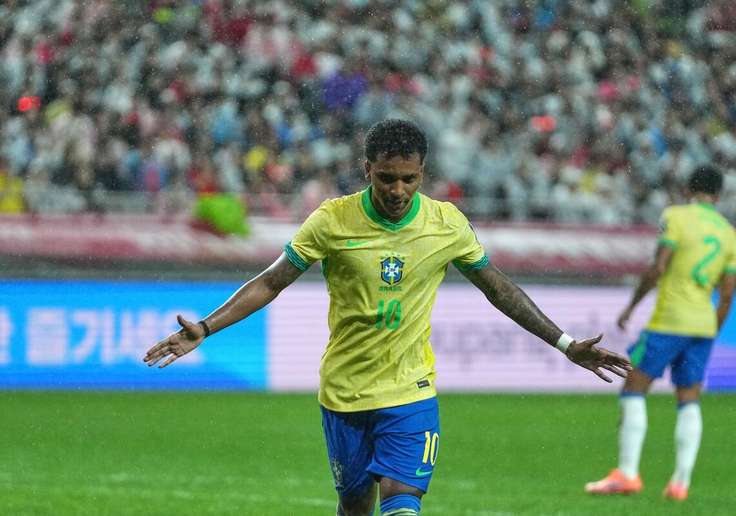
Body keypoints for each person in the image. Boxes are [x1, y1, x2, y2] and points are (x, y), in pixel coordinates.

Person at [144, 119, 631, 516]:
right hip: (344, 392)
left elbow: (498, 288)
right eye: (386, 178)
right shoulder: (332, 220)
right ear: (367, 170)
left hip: (410, 391)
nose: (398, 190)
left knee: (401, 504)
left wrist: (566, 344)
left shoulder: (446, 224)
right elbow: (272, 282)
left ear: (423, 173)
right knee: (356, 507)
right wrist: (206, 327)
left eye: (409, 179)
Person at [585, 165, 736, 501]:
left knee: (634, 385)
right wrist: (711, 330)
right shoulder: (729, 233)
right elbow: (728, 294)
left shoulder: (676, 216)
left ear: (688, 189)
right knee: (689, 397)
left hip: (670, 320)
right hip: (703, 324)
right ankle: (680, 483)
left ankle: (627, 474)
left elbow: (658, 267)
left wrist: (631, 305)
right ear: (718, 195)